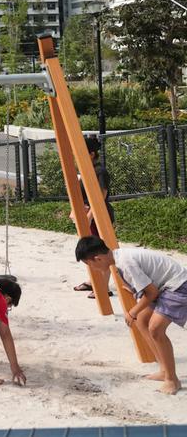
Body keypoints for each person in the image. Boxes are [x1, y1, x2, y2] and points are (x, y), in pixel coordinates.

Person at [75, 236, 187, 395]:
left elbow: (151, 292)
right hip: (164, 287)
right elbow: (147, 287)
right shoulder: (119, 259)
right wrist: (137, 293)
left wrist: (132, 311)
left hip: (179, 286)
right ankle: (164, 369)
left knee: (156, 328)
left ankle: (172, 380)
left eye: (89, 264)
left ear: (97, 258)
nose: (91, 269)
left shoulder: (125, 262)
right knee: (142, 320)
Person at [71, 136, 115, 298]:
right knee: (89, 249)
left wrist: (89, 215)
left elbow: (100, 196)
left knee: (102, 250)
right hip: (88, 215)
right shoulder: (86, 171)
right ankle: (92, 281)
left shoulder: (99, 171)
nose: (77, 157)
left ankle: (104, 287)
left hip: (100, 216)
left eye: (80, 153)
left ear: (91, 154)